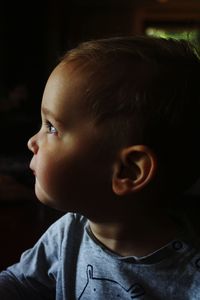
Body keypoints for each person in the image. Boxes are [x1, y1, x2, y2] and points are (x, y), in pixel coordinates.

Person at [0, 35, 200, 299]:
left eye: (51, 127)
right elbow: (18, 282)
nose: (32, 141)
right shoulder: (68, 232)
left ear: (128, 171)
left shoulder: (189, 278)